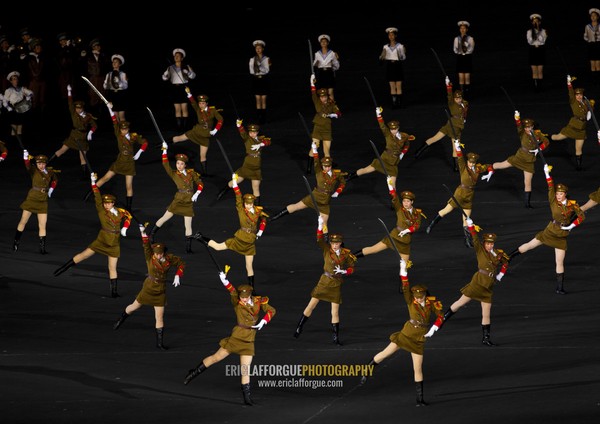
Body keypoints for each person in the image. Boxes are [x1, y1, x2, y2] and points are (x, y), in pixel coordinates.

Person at [183, 269, 275, 406]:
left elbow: (271, 310)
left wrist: (263, 321)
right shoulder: (237, 302)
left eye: (245, 297)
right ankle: (193, 373)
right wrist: (225, 280)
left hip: (249, 340)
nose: (242, 299)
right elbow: (232, 290)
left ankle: (247, 398)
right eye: (241, 297)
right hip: (237, 337)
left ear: (250, 295)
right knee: (216, 358)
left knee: (245, 369)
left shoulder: (258, 301)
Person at [359, 258, 443, 407]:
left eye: (420, 297)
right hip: (407, 334)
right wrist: (403, 269)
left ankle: (420, 399)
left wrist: (434, 328)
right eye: (416, 297)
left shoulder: (433, 301)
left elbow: (441, 316)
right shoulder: (410, 300)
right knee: (385, 353)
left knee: (417, 368)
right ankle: (366, 370)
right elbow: (405, 285)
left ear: (425, 294)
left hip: (419, 338)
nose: (418, 299)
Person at [430, 217, 510, 346]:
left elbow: (506, 262)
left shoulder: (497, 253)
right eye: (488, 243)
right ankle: (442, 319)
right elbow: (475, 238)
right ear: (484, 243)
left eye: (492, 243)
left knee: (486, 313)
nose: (490, 245)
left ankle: (486, 338)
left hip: (488, 287)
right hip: (478, 283)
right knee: (460, 303)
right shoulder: (480, 250)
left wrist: (501, 273)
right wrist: (471, 226)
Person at [508, 164, 585, 295]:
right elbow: (550, 185)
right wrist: (547, 173)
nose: (558, 195)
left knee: (559, 261)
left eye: (561, 193)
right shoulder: (553, 200)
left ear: (565, 194)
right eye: (557, 193)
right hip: (550, 231)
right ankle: (508, 257)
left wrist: (571, 226)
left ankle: (559, 287)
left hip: (561, 235)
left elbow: (582, 216)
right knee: (530, 245)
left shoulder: (573, 204)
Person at [54, 172, 132, 298]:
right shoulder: (101, 210)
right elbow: (96, 195)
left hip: (113, 244)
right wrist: (93, 182)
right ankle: (63, 268)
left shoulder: (120, 212)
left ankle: (114, 292)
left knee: (112, 268)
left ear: (113, 203)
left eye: (109, 203)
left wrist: (125, 228)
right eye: (105, 203)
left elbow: (129, 216)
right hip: (102, 240)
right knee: (84, 255)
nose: (106, 205)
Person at [112, 225, 185, 350]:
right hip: (148, 288)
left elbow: (181, 263)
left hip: (160, 290)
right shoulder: (149, 257)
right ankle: (121, 319)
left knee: (159, 317)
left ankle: (159, 343)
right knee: (133, 307)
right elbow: (146, 244)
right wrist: (143, 232)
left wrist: (178, 275)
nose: (157, 255)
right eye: (156, 253)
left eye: (160, 253)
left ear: (163, 252)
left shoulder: (169, 258)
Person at [193, 173, 268, 288]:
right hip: (240, 239)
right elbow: (238, 195)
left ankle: (251, 290)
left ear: (253, 203)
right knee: (218, 247)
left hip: (250, 243)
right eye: (246, 204)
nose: (247, 206)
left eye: (250, 204)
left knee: (249, 267)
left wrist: (260, 231)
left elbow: (264, 219)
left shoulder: (258, 211)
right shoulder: (241, 209)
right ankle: (200, 237)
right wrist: (234, 182)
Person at [293, 216, 356, 345]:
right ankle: (299, 327)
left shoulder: (346, 254)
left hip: (336, 283)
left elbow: (352, 267)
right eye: (333, 243)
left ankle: (335, 337)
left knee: (335, 312)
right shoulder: (327, 250)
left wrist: (345, 271)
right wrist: (320, 225)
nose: (334, 245)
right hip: (325, 281)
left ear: (340, 243)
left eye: (337, 243)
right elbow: (319, 239)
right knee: (312, 305)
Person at [425, 139, 492, 248]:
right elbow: (460, 156)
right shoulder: (463, 167)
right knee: (446, 210)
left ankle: (467, 240)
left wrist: (490, 173)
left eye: (473, 162)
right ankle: (431, 225)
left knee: (466, 219)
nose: (471, 164)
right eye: (470, 162)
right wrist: (457, 146)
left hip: (470, 195)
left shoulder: (478, 168)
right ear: (467, 161)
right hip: (460, 193)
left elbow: (489, 166)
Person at [270, 143, 346, 231]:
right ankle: (275, 216)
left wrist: (337, 192)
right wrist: (314, 150)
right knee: (297, 206)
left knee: (324, 223)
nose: (327, 168)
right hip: (315, 197)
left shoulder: (336, 174)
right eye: (325, 166)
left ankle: (324, 240)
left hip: (325, 202)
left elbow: (343, 182)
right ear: (322, 166)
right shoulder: (319, 172)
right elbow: (316, 161)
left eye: (329, 166)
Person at [86, 102, 148, 211]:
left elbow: (145, 142)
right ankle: (89, 193)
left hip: (129, 163)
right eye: (122, 129)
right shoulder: (118, 135)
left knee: (128, 186)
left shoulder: (134, 136)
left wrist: (139, 153)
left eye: (125, 129)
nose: (123, 131)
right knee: (105, 178)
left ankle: (129, 207)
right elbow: (114, 120)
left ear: (128, 129)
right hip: (119, 162)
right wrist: (110, 109)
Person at [482, 112, 549, 208]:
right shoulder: (522, 133)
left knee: (527, 182)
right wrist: (517, 117)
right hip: (519, 157)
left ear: (532, 126)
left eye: (529, 127)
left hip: (529, 161)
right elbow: (518, 125)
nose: (527, 129)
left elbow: (547, 141)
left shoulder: (537, 134)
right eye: (526, 127)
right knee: (502, 165)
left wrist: (539, 149)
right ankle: (489, 167)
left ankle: (527, 203)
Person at [148, 142, 203, 254]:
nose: (179, 165)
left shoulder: (191, 173)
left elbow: (200, 183)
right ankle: (151, 235)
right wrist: (164, 151)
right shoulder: (174, 174)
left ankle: (188, 248)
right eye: (177, 163)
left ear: (185, 165)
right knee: (165, 217)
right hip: (178, 199)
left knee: (188, 225)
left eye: (181, 163)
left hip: (188, 201)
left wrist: (197, 193)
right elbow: (165, 164)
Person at [353, 182, 424, 265]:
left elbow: (417, 225)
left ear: (412, 202)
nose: (405, 203)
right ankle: (351, 257)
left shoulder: (417, 213)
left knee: (404, 264)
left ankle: (404, 278)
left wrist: (407, 230)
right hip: (394, 236)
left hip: (405, 240)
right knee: (374, 249)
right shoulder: (399, 209)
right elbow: (394, 197)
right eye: (404, 201)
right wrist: (390, 186)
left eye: (408, 201)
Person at [346, 106, 412, 193]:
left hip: (393, 163)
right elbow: (382, 126)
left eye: (395, 129)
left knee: (392, 186)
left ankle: (394, 203)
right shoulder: (388, 134)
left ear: (398, 128)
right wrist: (378, 115)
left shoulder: (404, 136)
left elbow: (407, 144)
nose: (393, 131)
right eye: (391, 129)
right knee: (366, 170)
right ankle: (349, 177)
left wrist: (403, 153)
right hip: (384, 159)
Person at [413, 76, 468, 172]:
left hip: (456, 126)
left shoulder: (464, 103)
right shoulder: (452, 103)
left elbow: (465, 110)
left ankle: (455, 167)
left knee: (454, 146)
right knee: (439, 140)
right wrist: (448, 85)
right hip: (452, 126)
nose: (458, 100)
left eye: (459, 98)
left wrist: (463, 117)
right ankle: (419, 151)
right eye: (456, 99)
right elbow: (449, 95)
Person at [12, 151, 57, 254]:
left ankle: (42, 248)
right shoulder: (33, 170)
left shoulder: (50, 171)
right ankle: (16, 242)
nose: (41, 165)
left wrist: (51, 189)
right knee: (23, 221)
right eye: (39, 163)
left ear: (46, 163)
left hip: (43, 200)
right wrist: (25, 158)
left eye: (43, 163)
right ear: (36, 164)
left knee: (42, 225)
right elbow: (27, 166)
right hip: (32, 199)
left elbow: (55, 180)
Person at [216, 120, 270, 205]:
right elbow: (242, 133)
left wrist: (260, 144)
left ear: (257, 132)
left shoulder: (260, 139)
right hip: (247, 166)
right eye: (250, 132)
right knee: (234, 182)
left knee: (255, 188)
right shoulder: (247, 139)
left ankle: (257, 208)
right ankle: (222, 192)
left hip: (256, 168)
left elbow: (268, 141)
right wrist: (239, 125)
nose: (252, 134)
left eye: (254, 132)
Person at [49, 84, 97, 179]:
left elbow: (95, 125)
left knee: (82, 157)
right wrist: (69, 92)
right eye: (77, 108)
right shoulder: (74, 113)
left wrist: (91, 132)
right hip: (74, 135)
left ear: (83, 108)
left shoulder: (87, 116)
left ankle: (84, 174)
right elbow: (70, 103)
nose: (78, 110)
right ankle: (47, 163)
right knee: (62, 150)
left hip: (82, 136)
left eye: (80, 108)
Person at [172, 87, 223, 177]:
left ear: (206, 103)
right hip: (196, 131)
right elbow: (193, 102)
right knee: (179, 138)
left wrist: (215, 129)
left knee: (202, 156)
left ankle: (205, 173)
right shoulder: (198, 109)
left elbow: (220, 120)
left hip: (205, 135)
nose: (201, 105)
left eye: (203, 103)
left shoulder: (213, 110)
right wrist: (189, 93)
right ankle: (162, 143)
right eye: (200, 103)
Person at [550, 75, 595, 171]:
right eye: (577, 95)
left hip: (582, 129)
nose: (579, 96)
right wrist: (569, 84)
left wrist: (591, 107)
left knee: (578, 149)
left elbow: (589, 113)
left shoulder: (585, 103)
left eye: (580, 94)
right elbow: (570, 93)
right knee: (557, 137)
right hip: (573, 127)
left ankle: (579, 166)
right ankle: (546, 137)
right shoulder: (573, 102)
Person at [306, 74, 341, 174]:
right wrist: (312, 82)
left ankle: (328, 166)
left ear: (327, 96)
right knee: (314, 147)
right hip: (318, 127)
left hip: (327, 128)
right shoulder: (317, 102)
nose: (323, 98)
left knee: (326, 150)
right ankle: (309, 167)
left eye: (324, 96)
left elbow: (339, 113)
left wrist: (334, 115)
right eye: (321, 97)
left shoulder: (331, 103)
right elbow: (313, 92)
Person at [162, 48, 196, 131]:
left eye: (178, 56)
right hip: (174, 89)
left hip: (183, 88)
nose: (176, 57)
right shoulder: (170, 67)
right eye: (175, 56)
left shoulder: (186, 66)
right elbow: (164, 78)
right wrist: (165, 75)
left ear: (182, 58)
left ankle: (185, 127)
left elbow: (193, 76)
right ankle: (179, 127)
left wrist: (187, 72)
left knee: (184, 108)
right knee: (177, 108)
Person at [379, 27, 406, 109]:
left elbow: (403, 57)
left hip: (397, 66)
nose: (391, 36)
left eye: (392, 35)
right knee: (392, 86)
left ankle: (399, 104)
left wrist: (402, 54)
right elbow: (381, 59)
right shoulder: (385, 47)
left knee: (398, 85)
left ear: (395, 36)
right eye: (389, 35)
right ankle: (394, 104)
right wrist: (381, 57)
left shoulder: (400, 46)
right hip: (390, 66)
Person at [4, 71, 33, 139]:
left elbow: (31, 92)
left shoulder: (22, 88)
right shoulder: (9, 90)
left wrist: (29, 96)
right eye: (13, 79)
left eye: (16, 78)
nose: (15, 80)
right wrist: (8, 107)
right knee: (14, 129)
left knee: (20, 128)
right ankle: (13, 144)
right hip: (13, 110)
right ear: (11, 81)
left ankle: (19, 145)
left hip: (22, 109)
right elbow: (5, 101)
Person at [249, 40, 271, 124]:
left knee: (263, 99)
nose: (258, 50)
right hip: (256, 80)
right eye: (256, 48)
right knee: (258, 99)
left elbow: (267, 70)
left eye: (259, 48)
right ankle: (259, 117)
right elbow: (251, 71)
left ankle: (264, 118)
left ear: (262, 49)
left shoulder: (266, 59)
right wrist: (256, 70)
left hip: (264, 79)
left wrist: (259, 68)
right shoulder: (252, 59)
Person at [313, 34, 339, 101]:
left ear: (328, 43)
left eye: (325, 41)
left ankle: (332, 109)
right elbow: (314, 65)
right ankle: (324, 110)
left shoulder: (332, 53)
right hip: (320, 73)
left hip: (329, 73)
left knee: (330, 92)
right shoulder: (317, 53)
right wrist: (314, 75)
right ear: (320, 43)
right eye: (322, 42)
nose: (323, 43)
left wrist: (331, 68)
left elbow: (336, 65)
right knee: (323, 93)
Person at [103, 54, 128, 123]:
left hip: (120, 95)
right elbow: (105, 87)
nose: (114, 63)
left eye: (116, 62)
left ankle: (124, 133)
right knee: (115, 119)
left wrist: (119, 83)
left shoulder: (123, 74)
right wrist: (107, 84)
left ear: (119, 64)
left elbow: (126, 86)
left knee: (122, 118)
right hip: (112, 95)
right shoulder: (109, 74)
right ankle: (117, 133)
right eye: (113, 62)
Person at [453, 21, 474, 98]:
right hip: (460, 58)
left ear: (466, 29)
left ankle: (467, 95)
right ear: (459, 29)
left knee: (467, 77)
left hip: (467, 58)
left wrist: (466, 51)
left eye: (464, 28)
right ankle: (462, 95)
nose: (462, 30)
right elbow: (455, 49)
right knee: (461, 77)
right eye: (461, 28)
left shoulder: (470, 38)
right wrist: (460, 51)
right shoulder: (456, 39)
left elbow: (471, 49)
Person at [527, 13, 547, 92]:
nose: (535, 23)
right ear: (532, 23)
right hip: (532, 50)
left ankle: (540, 86)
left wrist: (538, 32)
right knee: (534, 70)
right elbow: (530, 41)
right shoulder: (529, 31)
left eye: (537, 21)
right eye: (534, 21)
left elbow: (543, 40)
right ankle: (535, 87)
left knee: (540, 70)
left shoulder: (544, 31)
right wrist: (534, 32)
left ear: (539, 22)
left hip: (540, 50)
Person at [584, 8, 600, 83]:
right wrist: (588, 40)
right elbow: (585, 36)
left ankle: (598, 79)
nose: (593, 17)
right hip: (591, 45)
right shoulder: (587, 26)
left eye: (594, 16)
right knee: (592, 63)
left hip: (598, 44)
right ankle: (594, 80)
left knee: (598, 63)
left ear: (597, 17)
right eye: (591, 16)